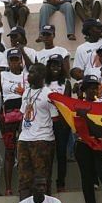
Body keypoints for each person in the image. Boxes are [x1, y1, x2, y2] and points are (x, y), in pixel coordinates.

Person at [0, 48, 26, 195]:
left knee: (24, 150)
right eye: (11, 60)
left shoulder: (27, 75)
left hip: (24, 114)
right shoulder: (3, 75)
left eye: (16, 59)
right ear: (8, 62)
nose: (14, 62)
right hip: (8, 115)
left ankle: (24, 185)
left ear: (20, 60)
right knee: (9, 151)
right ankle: (8, 187)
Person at [18, 63, 54, 199]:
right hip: (24, 139)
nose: (29, 75)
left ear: (42, 76)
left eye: (32, 73)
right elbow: (23, 114)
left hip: (42, 140)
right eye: (29, 72)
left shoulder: (49, 94)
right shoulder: (26, 91)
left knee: (42, 179)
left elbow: (55, 118)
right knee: (24, 179)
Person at [74, 75, 102, 203]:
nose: (93, 90)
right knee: (86, 179)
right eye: (90, 87)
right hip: (82, 145)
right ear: (84, 89)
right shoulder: (76, 105)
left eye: (95, 87)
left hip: (99, 144)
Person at [44, 54, 72, 193]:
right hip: (46, 123)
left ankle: (61, 183)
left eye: (58, 65)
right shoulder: (43, 83)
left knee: (61, 154)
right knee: (47, 154)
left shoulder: (66, 82)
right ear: (48, 67)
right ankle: (46, 183)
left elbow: (65, 102)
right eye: (52, 65)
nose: (55, 68)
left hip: (61, 123)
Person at [70, 18, 102, 83]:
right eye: (98, 28)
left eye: (101, 28)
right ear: (89, 30)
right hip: (90, 85)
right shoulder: (81, 48)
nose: (101, 31)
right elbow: (78, 71)